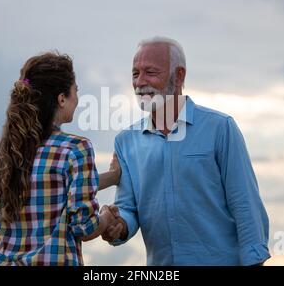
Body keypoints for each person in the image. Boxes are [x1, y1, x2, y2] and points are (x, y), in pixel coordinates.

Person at [102, 37, 271, 266]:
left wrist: (255, 260)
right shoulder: (126, 141)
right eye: (135, 73)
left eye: (150, 72)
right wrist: (118, 225)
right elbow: (128, 208)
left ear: (179, 76)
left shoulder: (220, 128)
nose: (140, 82)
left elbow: (245, 205)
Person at [0, 52, 121, 266]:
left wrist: (112, 177)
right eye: (76, 90)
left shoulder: (10, 152)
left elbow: (53, 188)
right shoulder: (76, 149)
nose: (78, 98)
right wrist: (106, 217)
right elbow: (84, 228)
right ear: (62, 98)